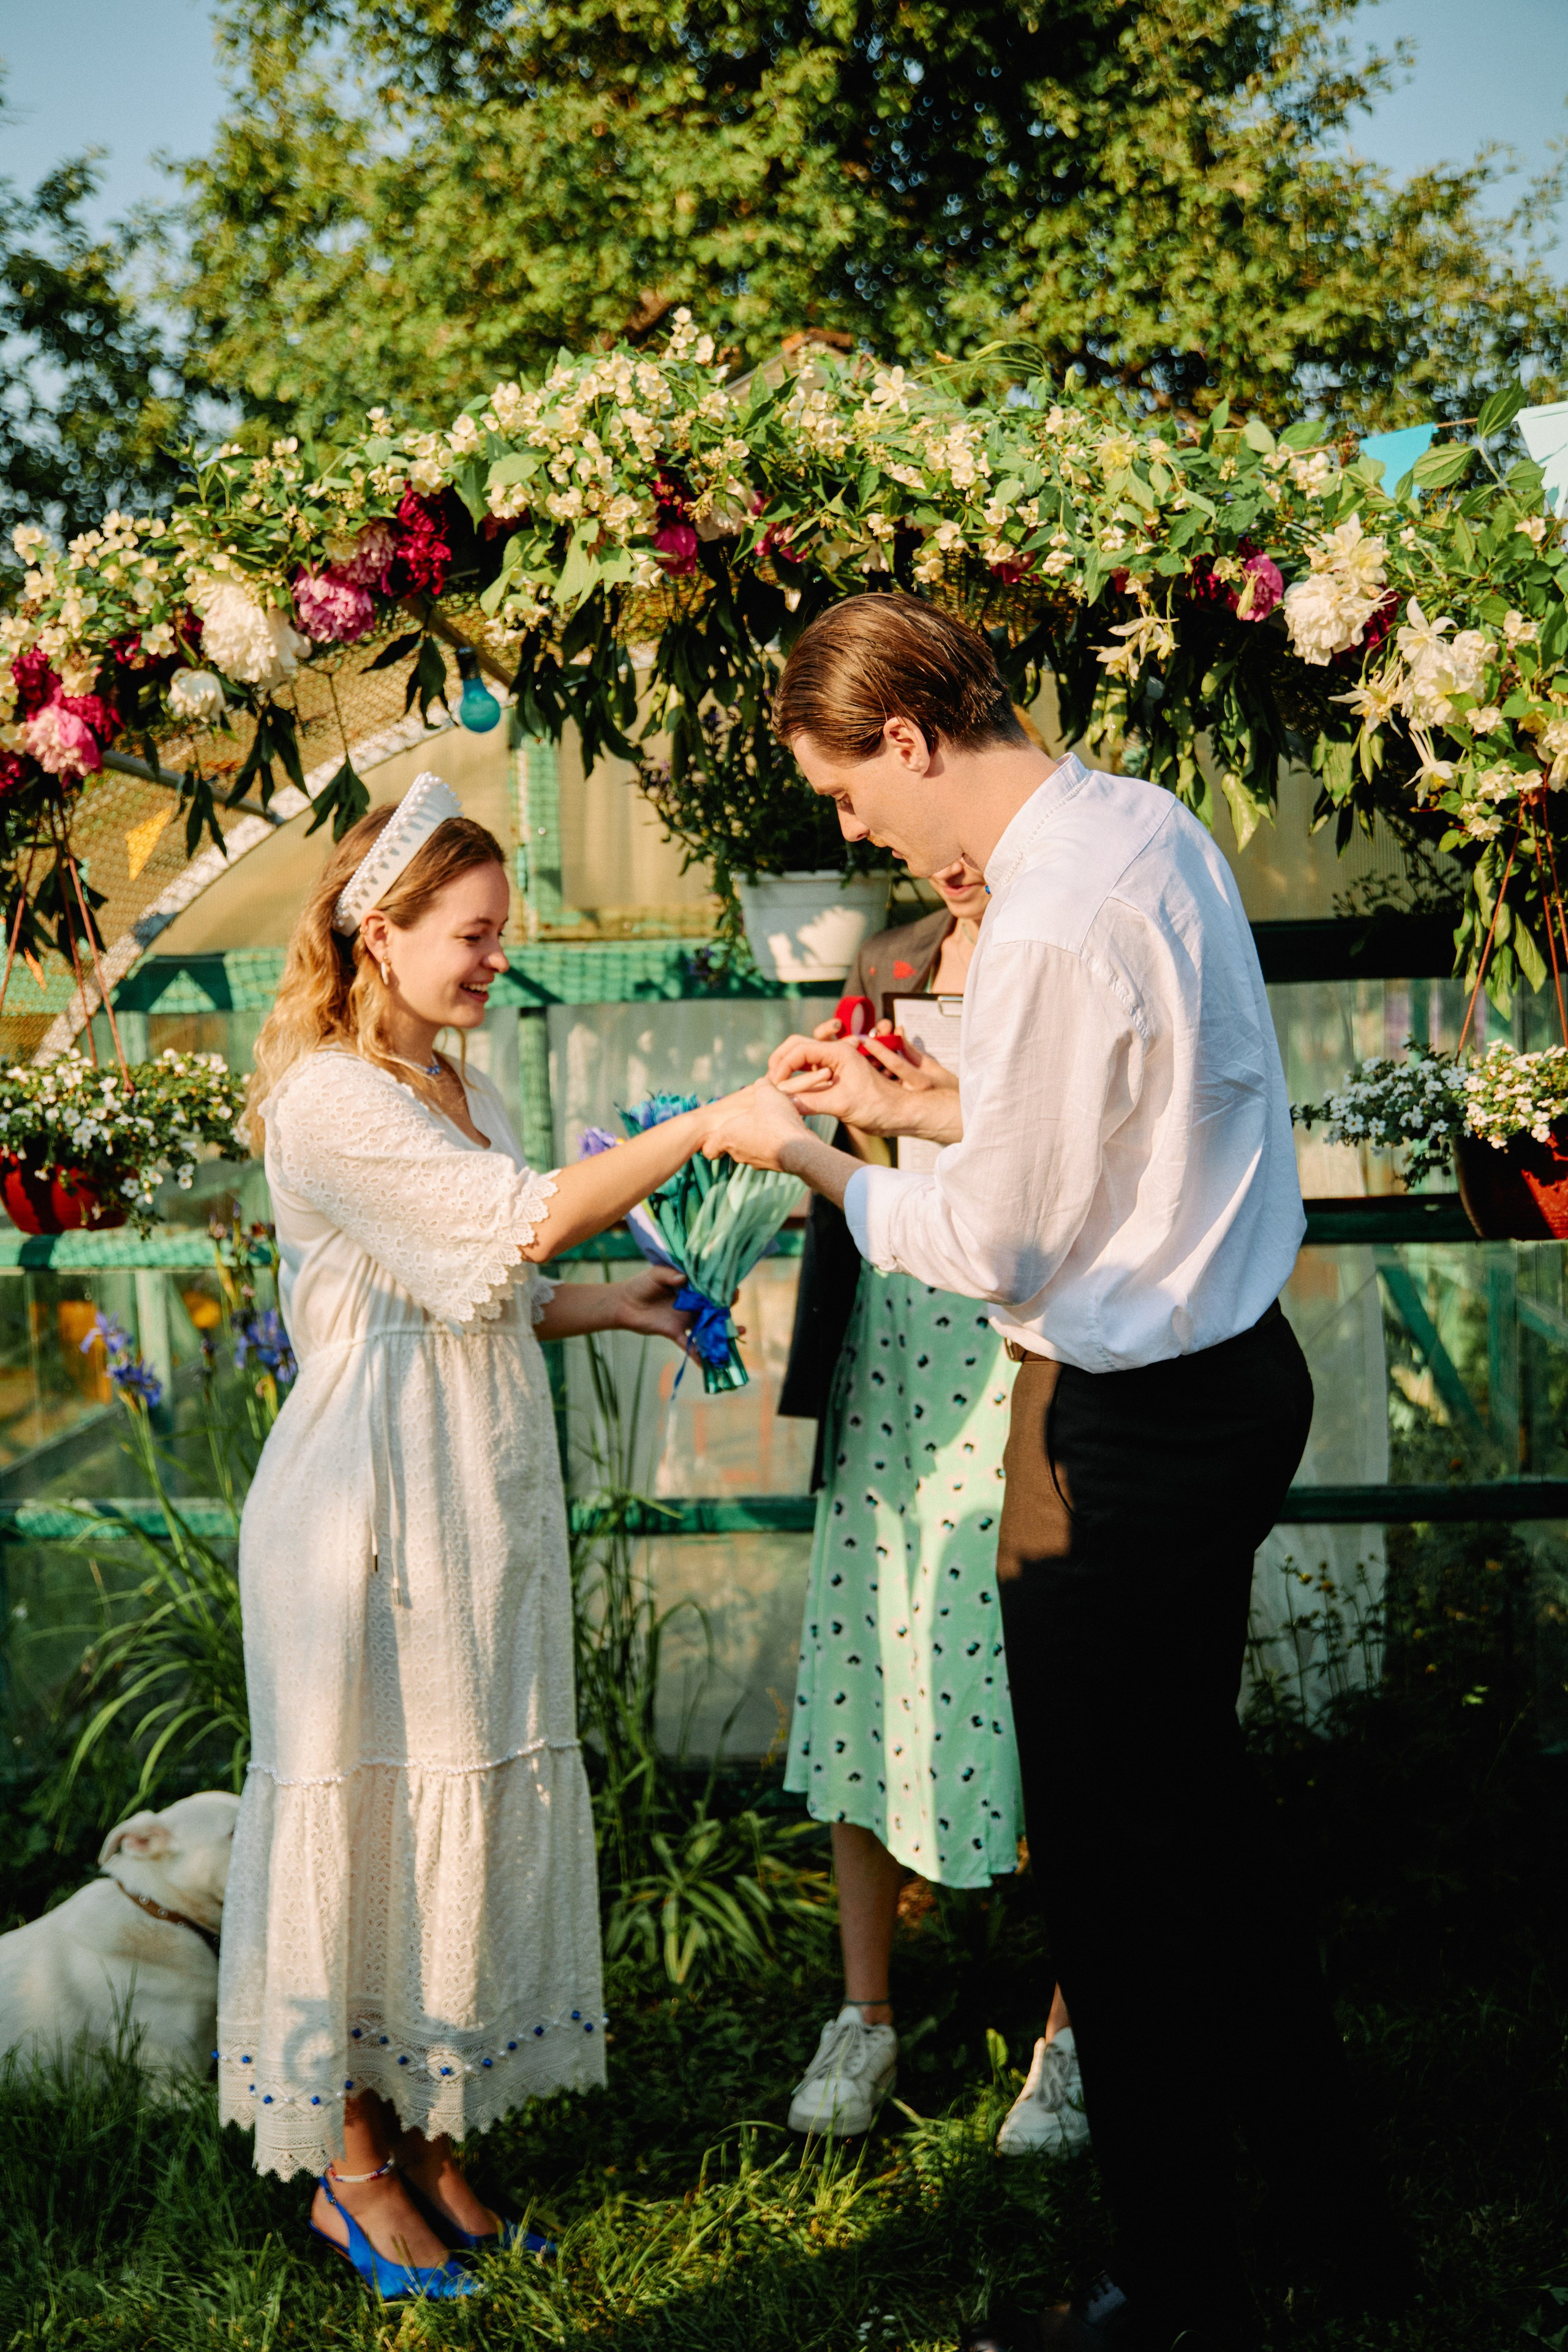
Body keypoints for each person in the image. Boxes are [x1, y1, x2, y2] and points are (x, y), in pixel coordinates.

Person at [695, 598, 1402, 2351]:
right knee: (1209, 1843)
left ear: (912, 740)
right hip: (1229, 1380)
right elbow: (1104, 1127)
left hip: (1130, 1428)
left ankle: (1173, 2291)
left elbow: (996, 1234)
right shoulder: (1133, 825)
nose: (853, 832)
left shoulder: (1047, 916)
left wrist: (803, 1150)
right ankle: (1336, 2226)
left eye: (849, 795)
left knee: (1119, 1873)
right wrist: (922, 1093)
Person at [217, 777, 747, 2303]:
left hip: (472, 1489)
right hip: (366, 1510)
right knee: (373, 1817)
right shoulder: (328, 1094)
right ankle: (355, 2174)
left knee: (453, 1797)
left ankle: (439, 2146)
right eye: (470, 934)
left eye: (501, 935)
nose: (492, 960)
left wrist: (617, 1298)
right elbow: (510, 1225)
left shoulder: (456, 1083)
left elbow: (490, 1286)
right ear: (374, 934)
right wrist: (709, 1128)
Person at [778, 850, 1084, 2157]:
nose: (953, 869)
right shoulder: (888, 962)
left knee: (1054, 1689)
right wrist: (814, 1096)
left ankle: (1075, 2035)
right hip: (894, 1359)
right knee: (868, 1657)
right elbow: (857, 1168)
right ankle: (864, 2011)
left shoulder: (1067, 959)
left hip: (1026, 1354)